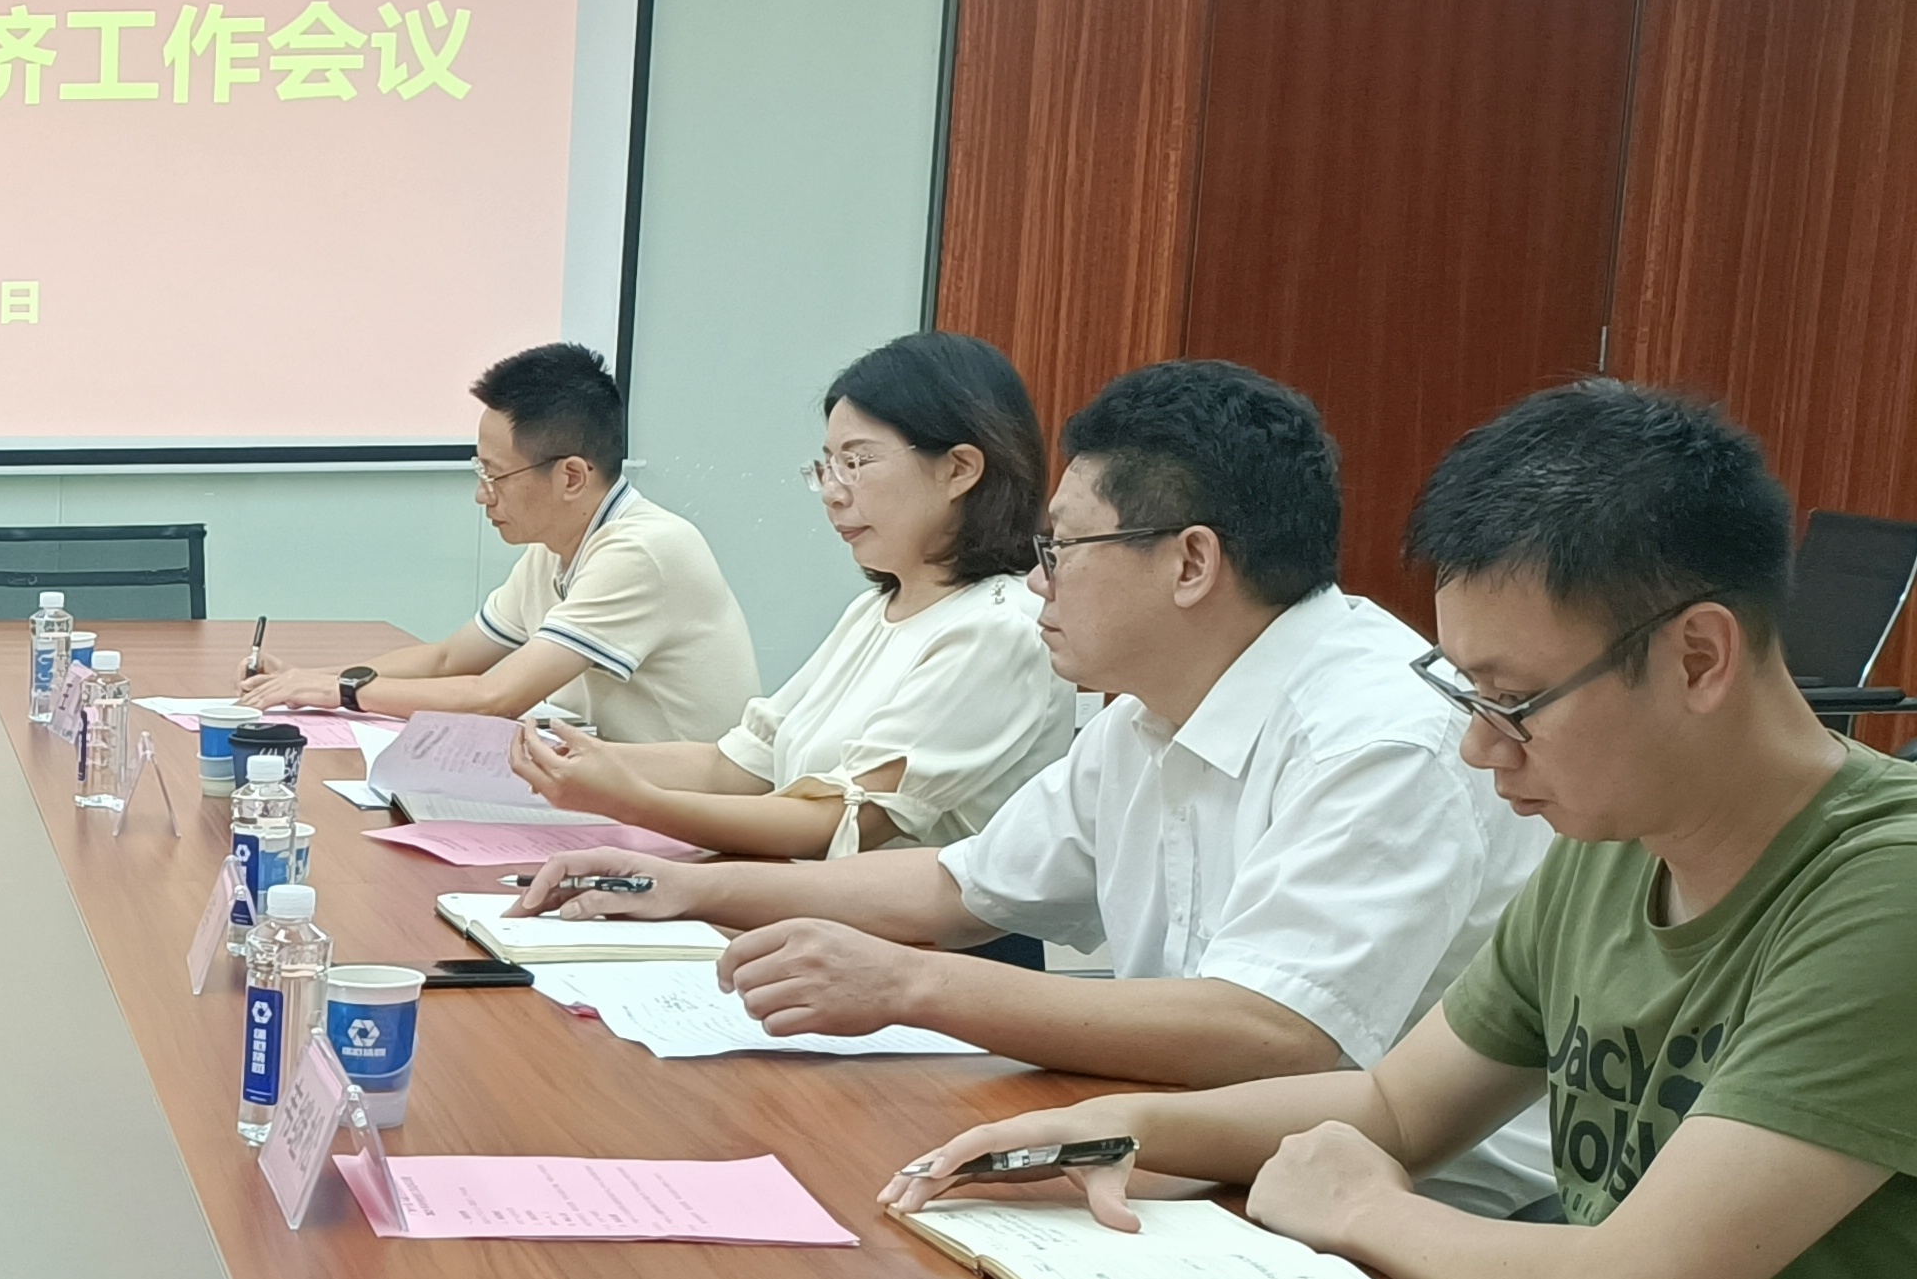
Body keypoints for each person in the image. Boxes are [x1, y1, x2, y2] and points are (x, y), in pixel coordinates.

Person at [894, 384, 1917, 1279]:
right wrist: (1118, 1127)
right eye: (1467, 693)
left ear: (1699, 658)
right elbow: (1394, 1107)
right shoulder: (1617, 841)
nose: (1480, 748)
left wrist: (1363, 1210)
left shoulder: (1885, 890)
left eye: (1514, 701)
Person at [513, 363, 1551, 1174]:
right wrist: (688, 886)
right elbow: (956, 885)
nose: (1040, 582)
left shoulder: (1378, 735)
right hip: (1198, 1152)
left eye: (1062, 550)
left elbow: (1275, 1032)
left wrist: (909, 984)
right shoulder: (1141, 715)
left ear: (1191, 562)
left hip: (1399, 1208)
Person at [511, 331, 1074, 859]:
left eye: (856, 462)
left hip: (907, 930)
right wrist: (581, 758)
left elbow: (841, 822)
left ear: (959, 469)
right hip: (812, 910)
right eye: (828, 466)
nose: (832, 493)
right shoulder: (874, 612)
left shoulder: (1001, 625)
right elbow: (737, 767)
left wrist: (630, 799)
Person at [238, 342, 760, 740]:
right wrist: (307, 679)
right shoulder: (554, 548)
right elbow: (448, 660)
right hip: (616, 794)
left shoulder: (642, 552)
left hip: (691, 823)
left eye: (496, 475)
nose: (482, 495)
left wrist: (341, 691)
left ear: (571, 477)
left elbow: (495, 697)